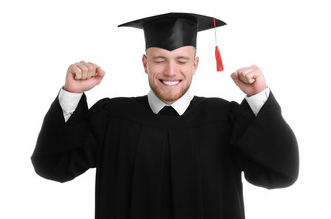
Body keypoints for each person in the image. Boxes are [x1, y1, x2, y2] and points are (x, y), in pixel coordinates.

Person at [31, 12, 299, 219]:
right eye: (160, 60)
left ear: (195, 64)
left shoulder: (225, 118)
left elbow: (281, 172)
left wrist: (258, 97)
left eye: (182, 60)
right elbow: (53, 165)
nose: (171, 71)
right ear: (145, 63)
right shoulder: (112, 118)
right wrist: (72, 93)